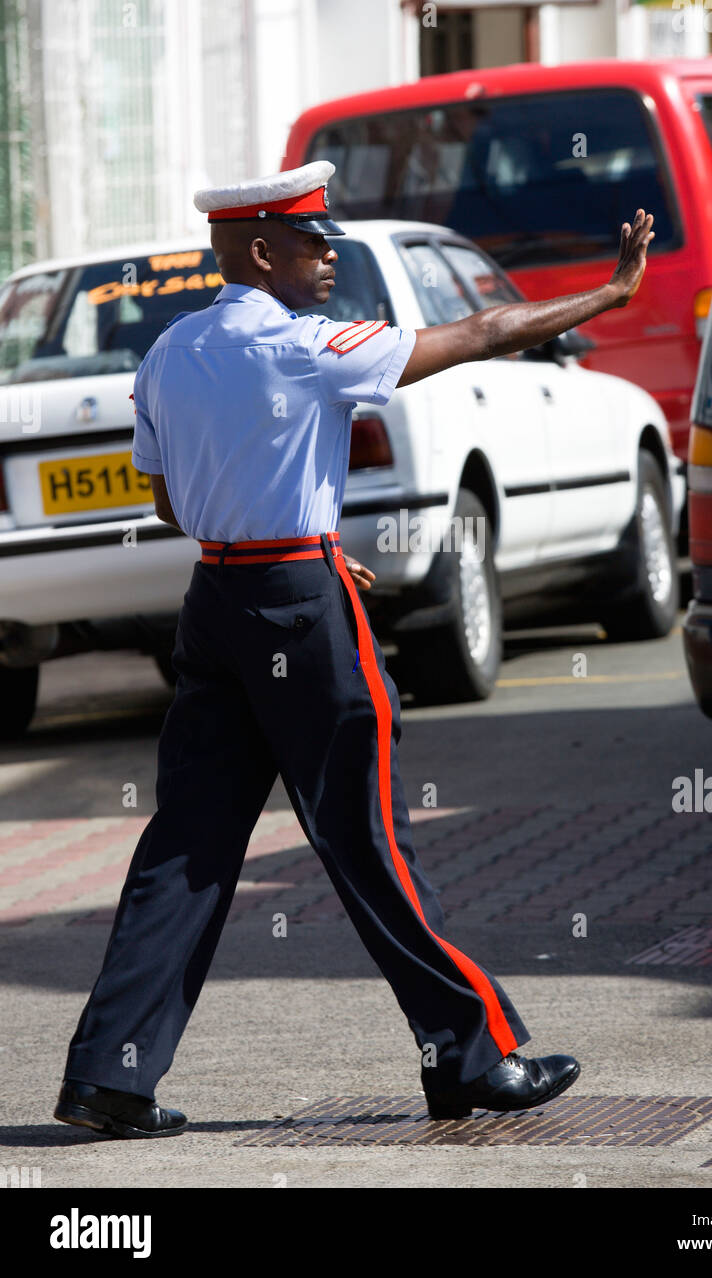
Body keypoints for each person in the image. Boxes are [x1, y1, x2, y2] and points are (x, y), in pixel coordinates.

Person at [54, 162, 654, 1138]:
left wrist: (285, 539)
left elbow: (168, 499)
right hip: (297, 607)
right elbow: (483, 332)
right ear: (260, 252)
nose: (330, 256)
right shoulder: (306, 347)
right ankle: (470, 1056)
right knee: (366, 836)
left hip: (217, 598)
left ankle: (109, 1076)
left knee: (186, 849)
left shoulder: (170, 351)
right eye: (312, 242)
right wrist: (611, 291)